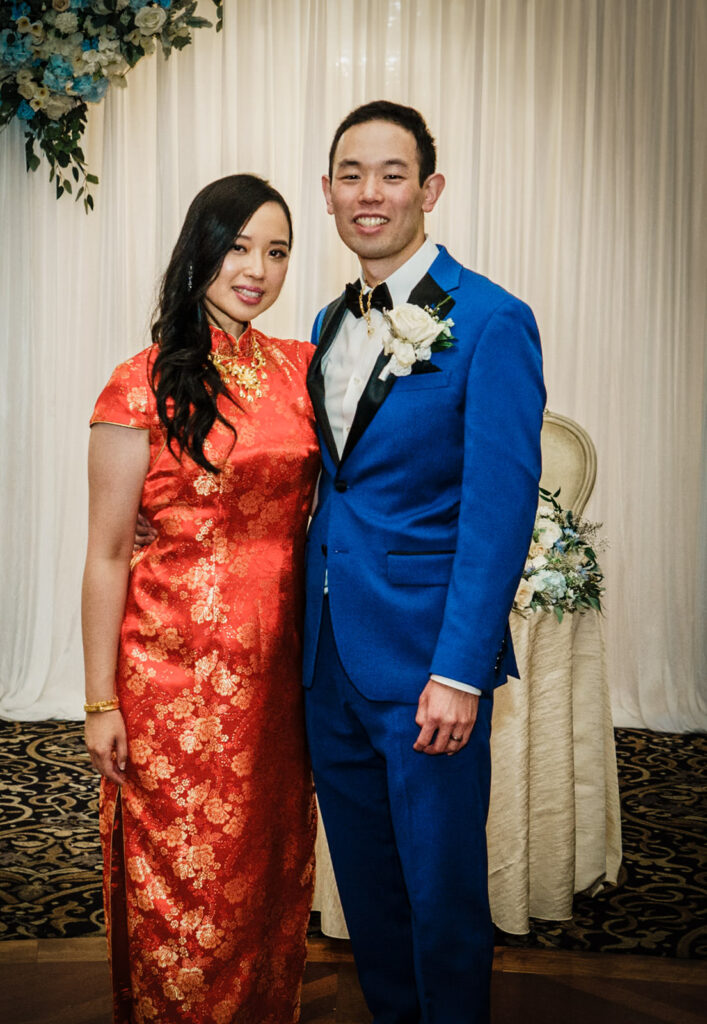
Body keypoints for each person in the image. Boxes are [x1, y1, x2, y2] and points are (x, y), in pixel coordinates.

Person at [302, 101, 546, 1023]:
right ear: (327, 193)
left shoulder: (490, 321)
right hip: (327, 663)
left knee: (441, 897)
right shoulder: (328, 318)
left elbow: (498, 510)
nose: (370, 194)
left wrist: (459, 671)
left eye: (391, 173)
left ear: (429, 189)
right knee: (367, 895)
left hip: (423, 669)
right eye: (351, 175)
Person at [82, 174, 320, 1024]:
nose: (256, 268)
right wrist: (100, 700)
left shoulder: (301, 369)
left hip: (280, 675)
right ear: (201, 250)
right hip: (170, 680)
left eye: (278, 250)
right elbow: (108, 553)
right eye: (239, 246)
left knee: (267, 865)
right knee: (183, 879)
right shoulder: (136, 385)